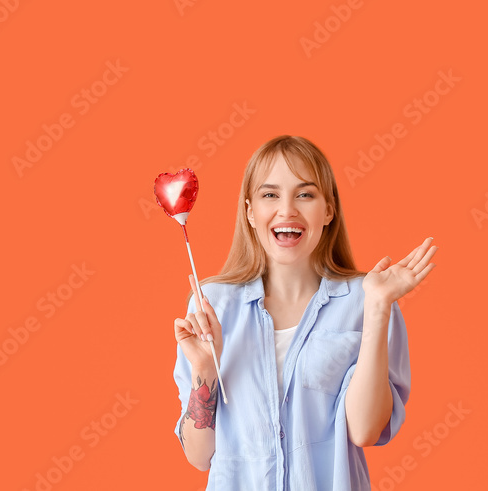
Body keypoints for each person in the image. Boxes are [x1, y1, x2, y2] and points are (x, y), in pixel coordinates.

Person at [172, 135, 437, 490]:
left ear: (328, 209)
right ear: (250, 211)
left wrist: (377, 310)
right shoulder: (212, 306)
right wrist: (205, 368)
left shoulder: (368, 298)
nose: (287, 210)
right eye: (270, 195)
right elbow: (199, 456)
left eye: (305, 194)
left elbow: (365, 429)